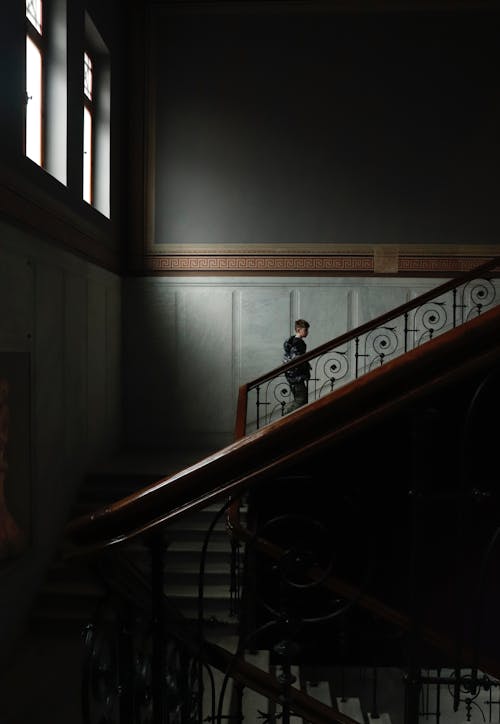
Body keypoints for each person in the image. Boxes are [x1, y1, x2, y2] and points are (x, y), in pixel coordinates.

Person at [282, 319, 311, 415]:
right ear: (298, 330)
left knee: (300, 399)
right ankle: (285, 413)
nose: (307, 332)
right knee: (301, 401)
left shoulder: (291, 341)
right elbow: (297, 360)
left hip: (291, 376)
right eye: (305, 330)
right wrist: (305, 366)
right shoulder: (299, 343)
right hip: (297, 376)